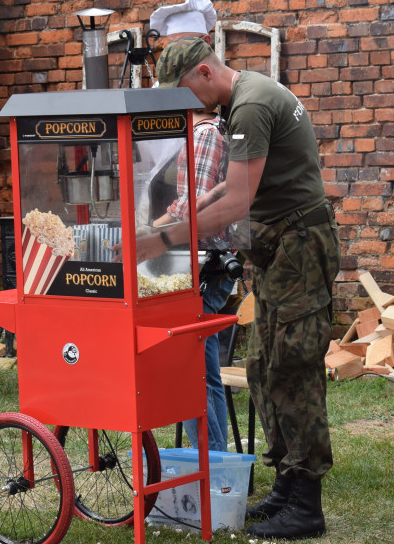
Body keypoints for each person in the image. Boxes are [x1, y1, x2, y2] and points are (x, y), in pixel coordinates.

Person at [143, 37, 340, 540]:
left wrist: (162, 239)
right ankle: (285, 486)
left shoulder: (249, 105)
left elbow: (235, 202)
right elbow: (221, 190)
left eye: (186, 90)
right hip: (280, 250)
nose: (187, 104)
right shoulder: (240, 100)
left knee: (293, 368)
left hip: (299, 246)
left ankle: (306, 503)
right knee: (265, 366)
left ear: (205, 72)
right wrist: (176, 218)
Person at [149, 0, 235, 454]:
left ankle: (213, 463)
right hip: (203, 260)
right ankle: (209, 458)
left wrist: (141, 235)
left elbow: (191, 208)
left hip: (207, 264)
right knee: (201, 367)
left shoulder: (203, 136)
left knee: (197, 369)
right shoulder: (202, 130)